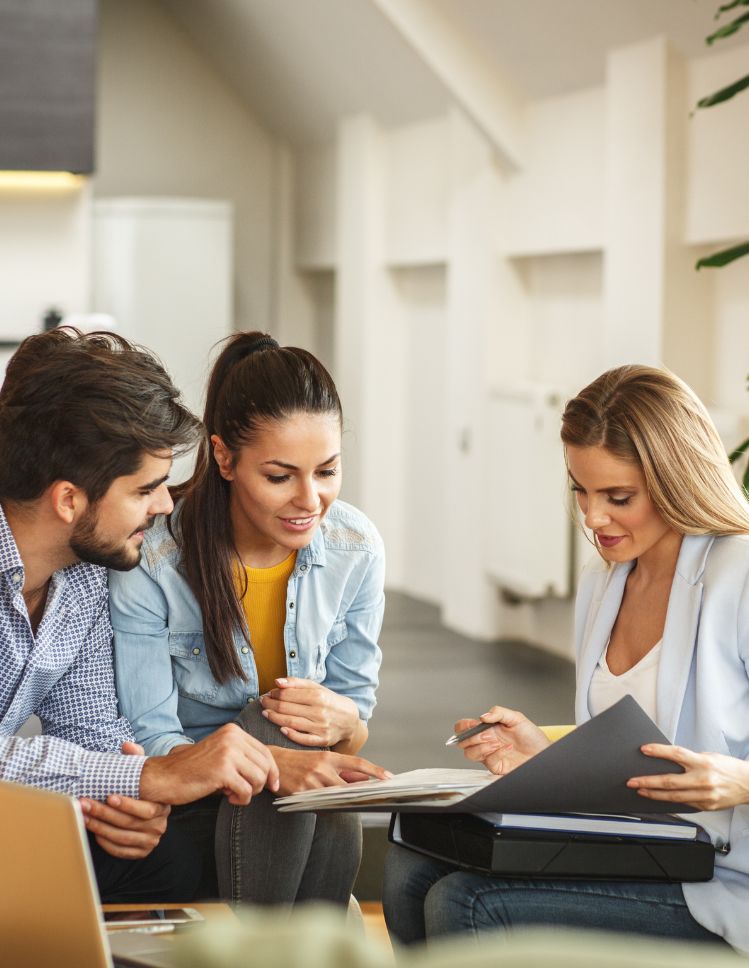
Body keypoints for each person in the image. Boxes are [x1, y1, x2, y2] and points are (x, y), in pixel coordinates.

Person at [383, 364, 749, 952]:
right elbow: (636, 745)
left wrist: (740, 781)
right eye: (581, 489)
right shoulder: (604, 583)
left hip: (725, 882)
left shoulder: (741, 577)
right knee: (410, 869)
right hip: (644, 853)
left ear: (676, 480)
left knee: (466, 902)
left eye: (618, 497)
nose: (592, 517)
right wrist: (546, 749)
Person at [0, 327, 281, 903]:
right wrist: (148, 776)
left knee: (171, 848)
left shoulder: (81, 577)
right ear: (69, 499)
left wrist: (126, 803)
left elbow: (93, 729)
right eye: (145, 489)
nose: (163, 504)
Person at [109, 331, 388, 906]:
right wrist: (274, 762)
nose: (310, 500)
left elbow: (353, 728)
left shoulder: (356, 548)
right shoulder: (155, 559)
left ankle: (281, 947)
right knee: (268, 725)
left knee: (307, 754)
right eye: (281, 477)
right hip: (193, 794)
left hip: (297, 800)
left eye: (328, 471)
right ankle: (307, 941)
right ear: (224, 457)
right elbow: (150, 738)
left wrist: (342, 722)